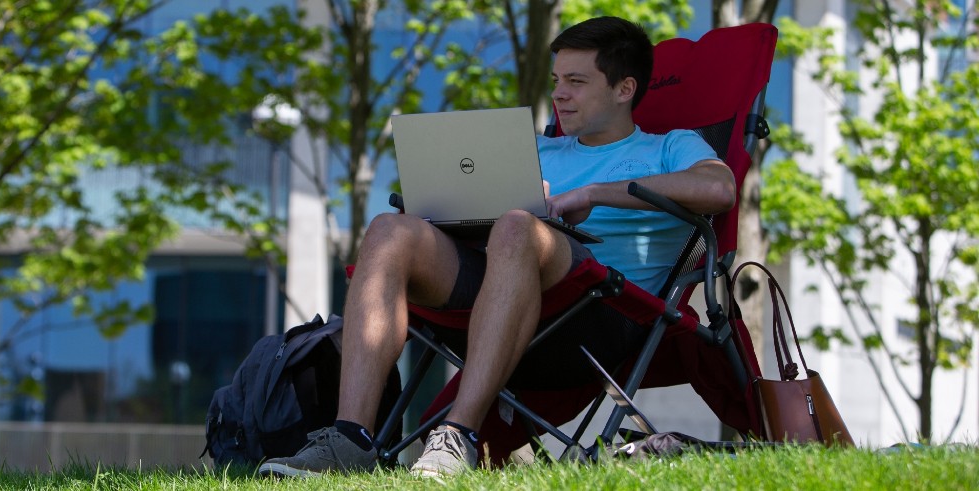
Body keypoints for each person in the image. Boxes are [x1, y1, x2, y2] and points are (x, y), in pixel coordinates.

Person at [257, 16, 736, 478]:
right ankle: (351, 440)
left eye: (576, 81)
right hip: (495, 297)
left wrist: (589, 194)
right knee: (390, 229)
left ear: (623, 89)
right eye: (556, 80)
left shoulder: (670, 147)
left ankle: (456, 436)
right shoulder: (532, 149)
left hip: (599, 317)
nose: (559, 95)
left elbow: (718, 190)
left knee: (516, 225)